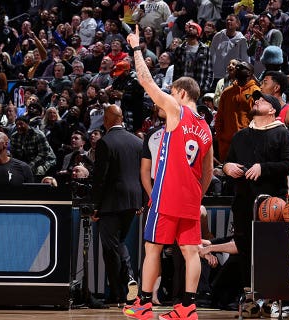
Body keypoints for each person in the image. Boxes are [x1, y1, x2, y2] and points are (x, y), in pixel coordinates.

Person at [124, 25, 214, 320]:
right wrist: (196, 194)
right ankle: (188, 307)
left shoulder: (177, 109)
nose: (162, 101)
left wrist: (137, 48)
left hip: (166, 196)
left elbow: (145, 81)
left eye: (171, 91)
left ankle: (144, 304)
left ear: (181, 92)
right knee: (190, 252)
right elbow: (209, 173)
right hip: (190, 198)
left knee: (152, 248)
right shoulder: (205, 128)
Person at [221, 89, 289, 314]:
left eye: (262, 100)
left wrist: (263, 168)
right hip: (244, 203)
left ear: (273, 109)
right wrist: (227, 167)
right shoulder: (241, 135)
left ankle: (276, 297)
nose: (257, 102)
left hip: (271, 203)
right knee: (245, 251)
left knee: (272, 250)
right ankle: (251, 297)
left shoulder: (282, 134)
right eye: (256, 100)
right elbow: (227, 162)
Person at [91, 104, 143, 306]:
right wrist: (142, 201)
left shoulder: (105, 142)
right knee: (119, 243)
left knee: (110, 248)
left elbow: (100, 178)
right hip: (132, 201)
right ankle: (129, 281)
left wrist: (95, 205)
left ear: (106, 120)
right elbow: (144, 173)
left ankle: (118, 293)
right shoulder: (137, 142)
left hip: (111, 202)